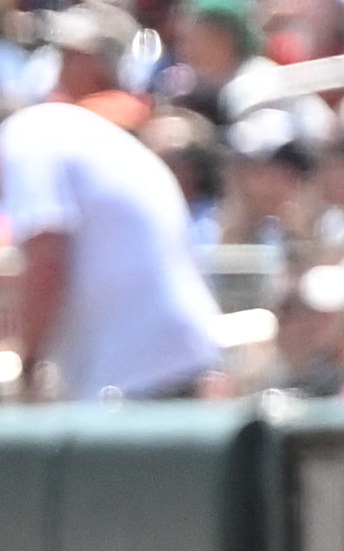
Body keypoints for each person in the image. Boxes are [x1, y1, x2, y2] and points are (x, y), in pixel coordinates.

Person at [5, 84, 224, 401]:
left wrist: (28, 369)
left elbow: (47, 264)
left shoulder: (25, 138)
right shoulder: (65, 130)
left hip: (140, 375)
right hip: (178, 358)